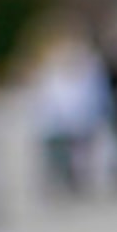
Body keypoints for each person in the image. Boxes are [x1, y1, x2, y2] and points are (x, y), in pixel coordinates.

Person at [25, 16, 110, 197]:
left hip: (80, 118)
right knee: (56, 155)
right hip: (54, 120)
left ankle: (76, 184)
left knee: (80, 156)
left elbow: (95, 93)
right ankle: (57, 183)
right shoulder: (47, 67)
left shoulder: (89, 64)